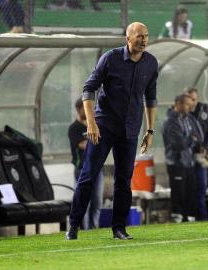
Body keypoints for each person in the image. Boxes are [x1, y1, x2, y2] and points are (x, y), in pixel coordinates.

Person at [65, 22, 158, 240]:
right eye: (139, 36)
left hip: (130, 131)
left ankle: (119, 229)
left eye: (146, 36)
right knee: (88, 176)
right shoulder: (111, 58)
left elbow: (151, 99)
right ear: (128, 38)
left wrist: (150, 130)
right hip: (103, 127)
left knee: (124, 181)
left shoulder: (151, 63)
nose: (143, 40)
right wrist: (91, 123)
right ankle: (74, 226)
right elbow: (88, 90)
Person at [162, 94, 201, 223]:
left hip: (189, 161)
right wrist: (191, 139)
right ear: (178, 104)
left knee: (190, 190)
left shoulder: (189, 119)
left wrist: (191, 139)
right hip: (176, 162)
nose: (190, 108)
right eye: (187, 105)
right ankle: (176, 216)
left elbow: (199, 136)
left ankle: (189, 216)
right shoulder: (170, 120)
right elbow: (179, 144)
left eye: (191, 105)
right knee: (179, 191)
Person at [68, 97, 104, 230]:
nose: (91, 111)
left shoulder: (95, 126)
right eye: (87, 108)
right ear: (79, 109)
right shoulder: (74, 128)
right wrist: (94, 141)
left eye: (92, 108)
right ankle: (83, 229)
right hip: (82, 169)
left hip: (97, 169)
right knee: (84, 201)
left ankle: (94, 229)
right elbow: (84, 145)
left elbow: (102, 142)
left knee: (97, 202)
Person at [185, 87, 208, 221]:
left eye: (194, 99)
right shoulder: (179, 113)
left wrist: (206, 147)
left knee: (201, 189)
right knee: (188, 191)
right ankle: (187, 219)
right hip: (185, 159)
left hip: (200, 157)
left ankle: (202, 219)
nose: (192, 103)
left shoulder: (204, 110)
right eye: (189, 99)